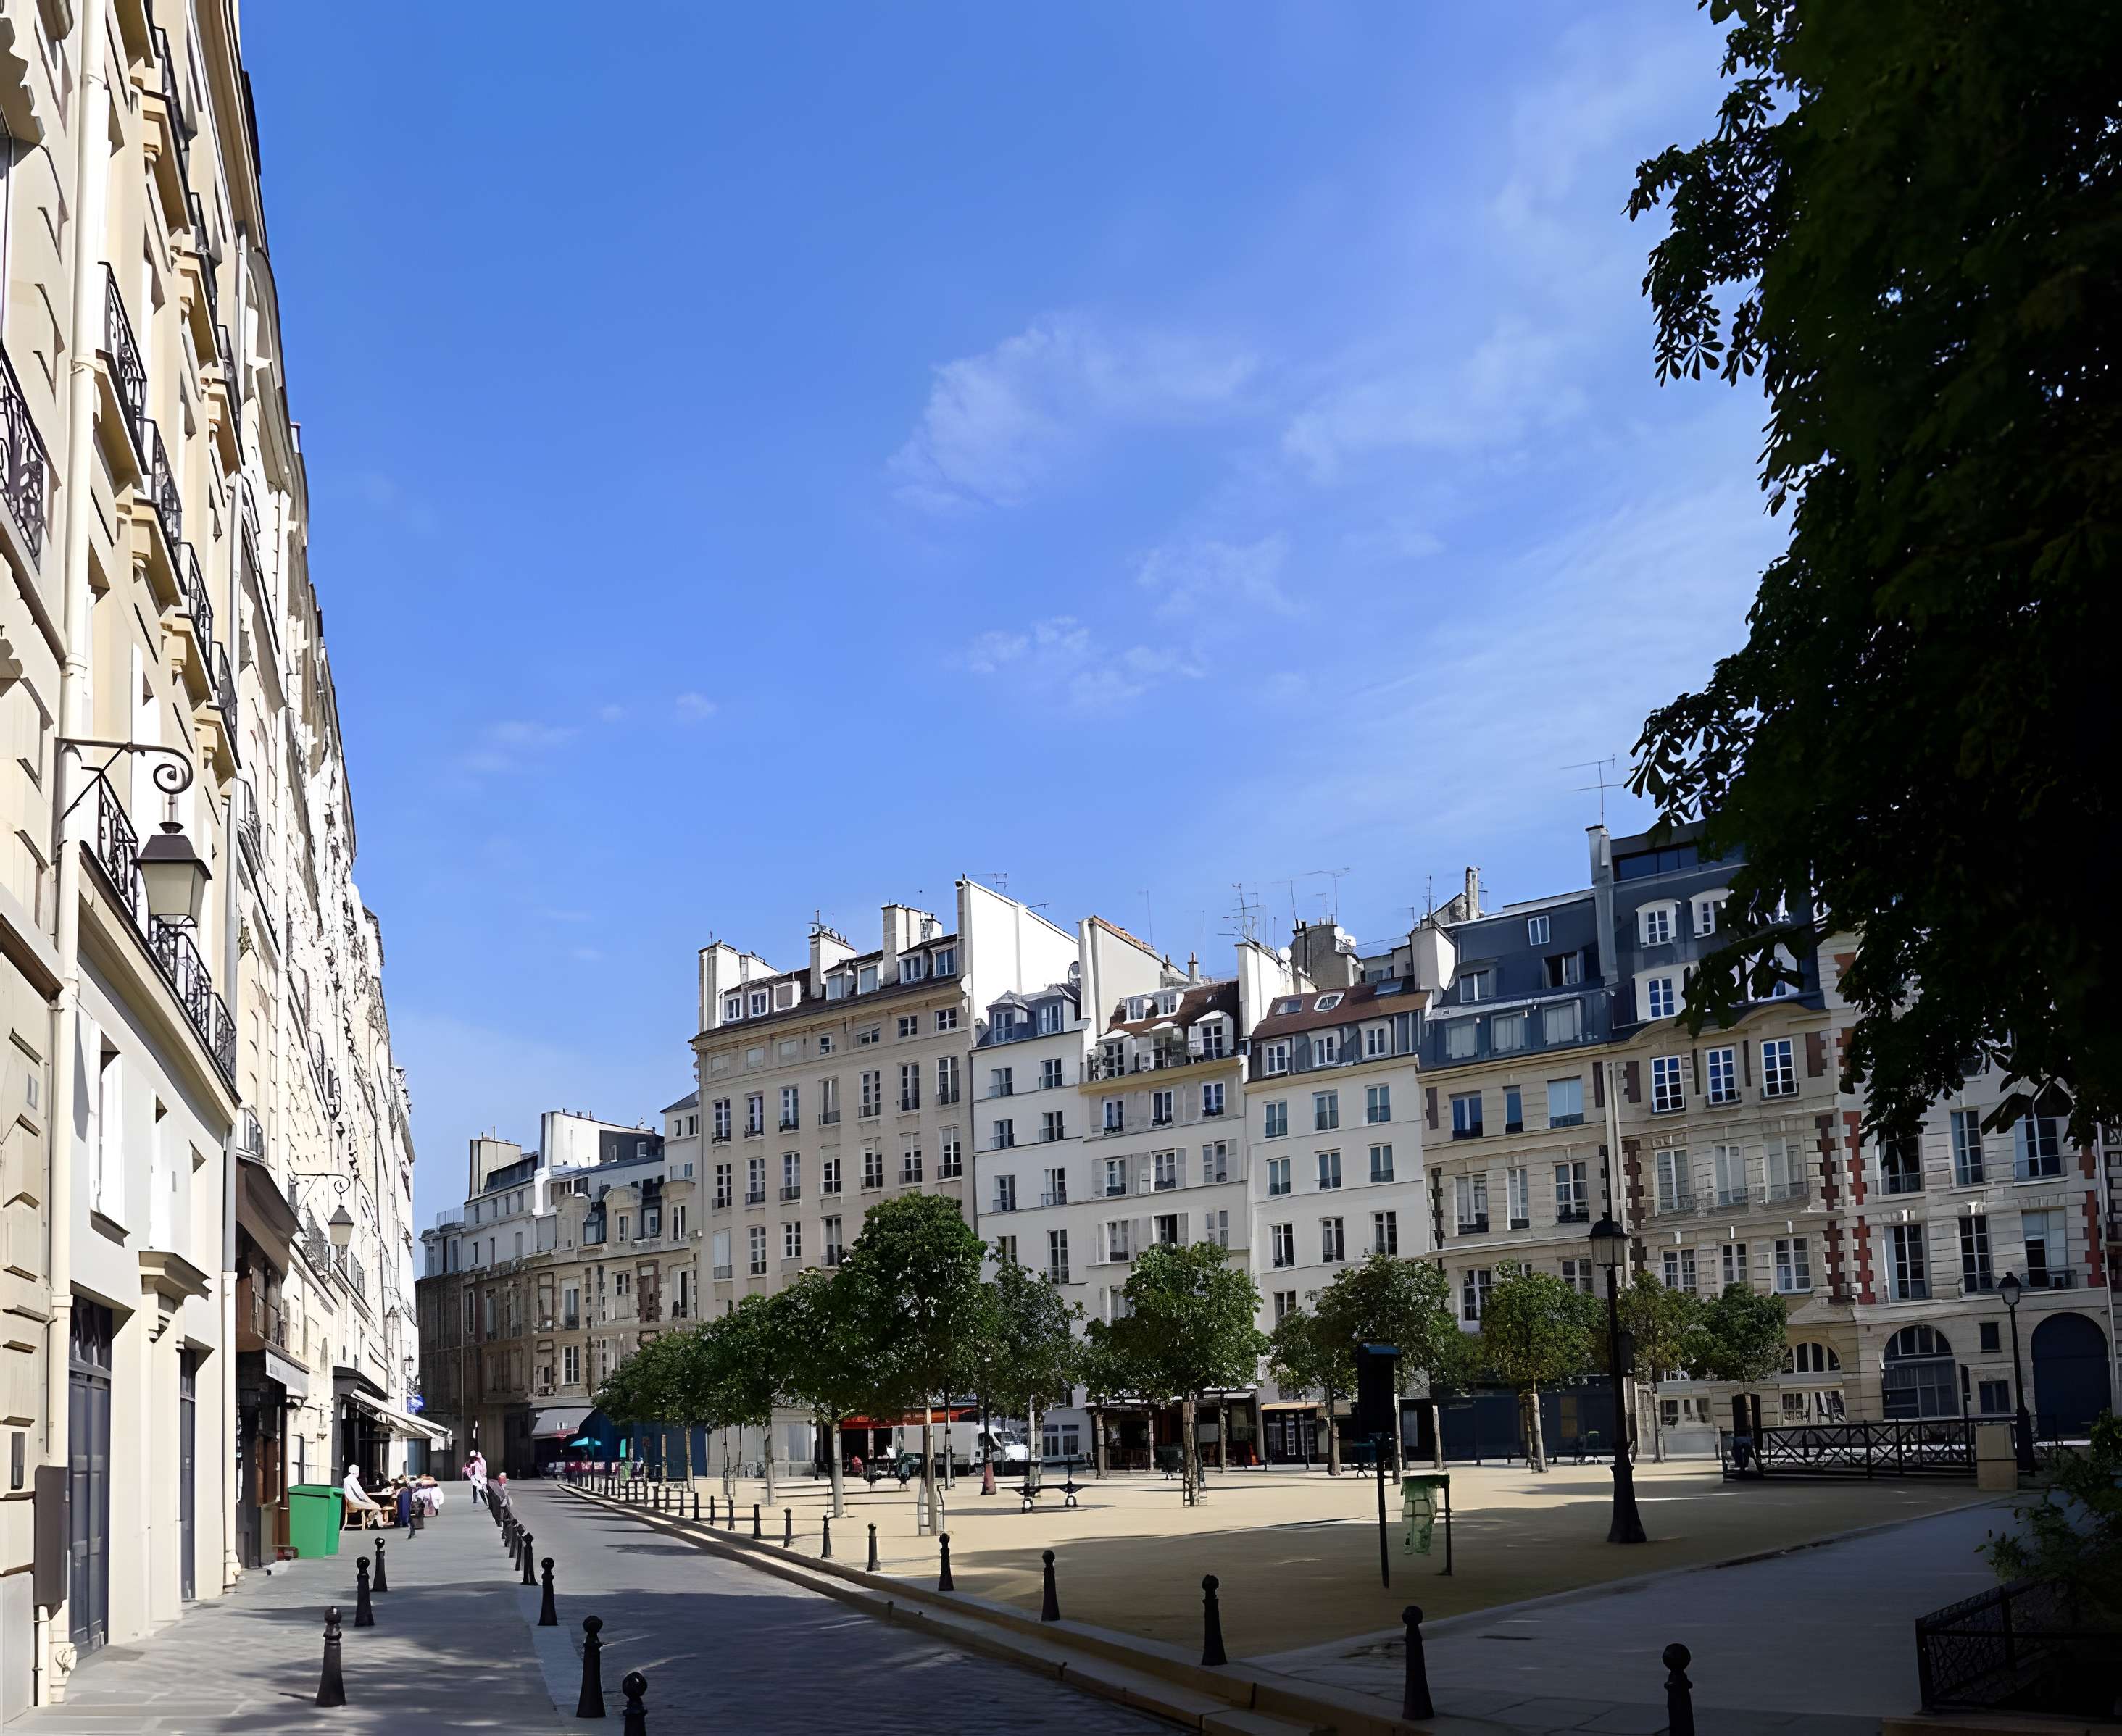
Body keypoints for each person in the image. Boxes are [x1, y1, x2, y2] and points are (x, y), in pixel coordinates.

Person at [341, 1464, 386, 1530]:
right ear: (357, 1472)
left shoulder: (347, 1479)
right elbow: (361, 1494)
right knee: (376, 1506)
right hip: (354, 1502)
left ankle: (371, 1522)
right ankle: (373, 1523)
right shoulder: (353, 1480)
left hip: (350, 1501)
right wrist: (371, 1502)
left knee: (375, 1505)